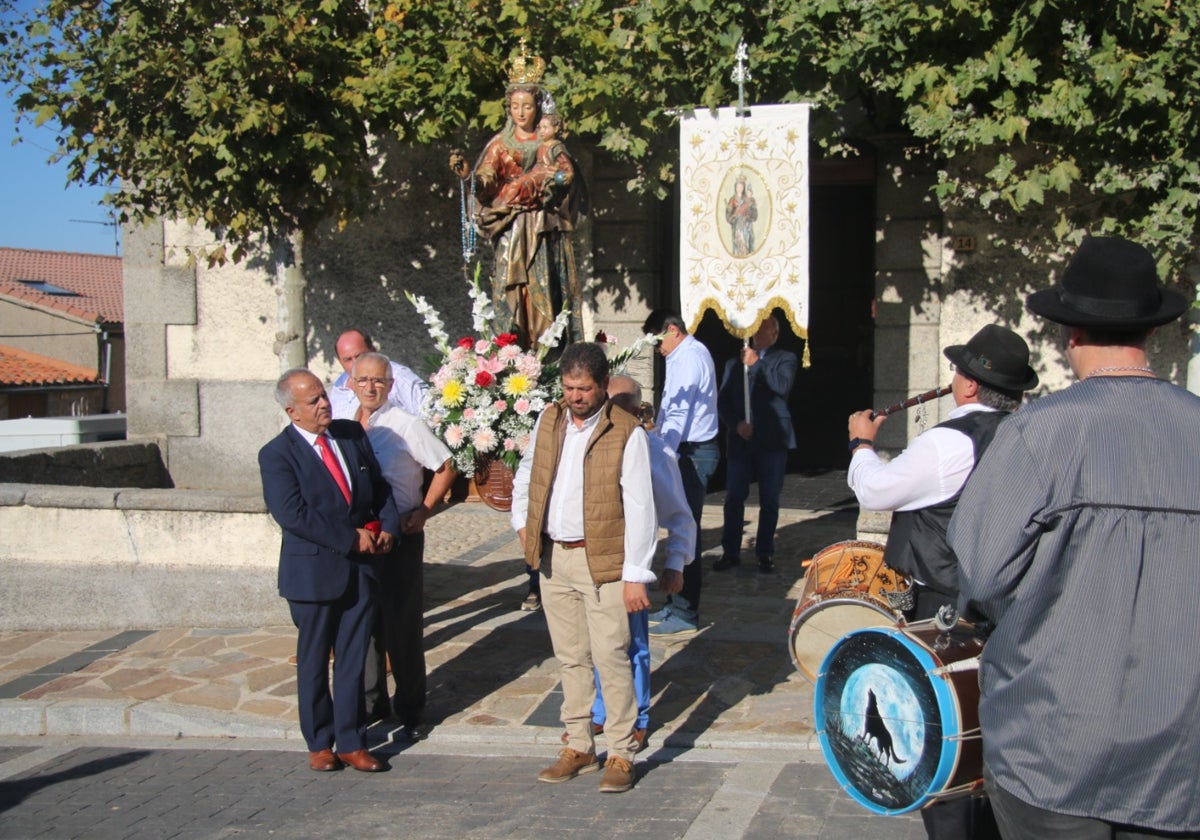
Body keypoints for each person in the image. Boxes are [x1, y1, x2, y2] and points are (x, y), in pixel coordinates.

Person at [947, 235, 1200, 838]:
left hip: (1052, 750)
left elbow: (982, 577)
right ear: (1151, 334)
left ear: (1071, 335)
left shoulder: (1037, 434)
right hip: (1181, 759)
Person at [847, 323, 1037, 840]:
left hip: (943, 607)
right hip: (1011, 602)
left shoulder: (949, 442)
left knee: (945, 730)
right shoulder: (1030, 434)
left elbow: (879, 491)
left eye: (957, 372)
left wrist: (863, 445)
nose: (953, 380)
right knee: (996, 730)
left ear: (971, 385)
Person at [510, 342, 657, 793]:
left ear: (602, 386)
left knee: (610, 657)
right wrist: (522, 523)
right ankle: (578, 745)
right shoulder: (549, 420)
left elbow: (641, 507)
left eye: (585, 388)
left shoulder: (626, 432)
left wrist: (636, 574)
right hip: (555, 557)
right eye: (569, 387)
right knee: (570, 657)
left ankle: (620, 752)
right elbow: (529, 472)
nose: (576, 396)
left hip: (605, 561)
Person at [258, 369, 401, 773]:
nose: (324, 404)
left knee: (354, 659)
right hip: (313, 575)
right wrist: (349, 538)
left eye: (323, 395)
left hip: (360, 571)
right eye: (313, 401)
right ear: (292, 411)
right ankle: (320, 742)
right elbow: (292, 514)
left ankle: (353, 740)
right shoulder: (276, 454)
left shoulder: (349, 435)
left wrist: (388, 526)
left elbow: (380, 488)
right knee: (315, 659)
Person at [560, 374, 696, 752]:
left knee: (629, 642)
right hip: (586, 559)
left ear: (638, 411)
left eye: (619, 406)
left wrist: (676, 564)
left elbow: (680, 515)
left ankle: (636, 716)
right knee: (591, 642)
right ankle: (601, 712)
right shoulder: (581, 438)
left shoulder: (653, 451)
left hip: (626, 562)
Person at [448, 46, 586, 349]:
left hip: (543, 228)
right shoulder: (500, 144)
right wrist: (470, 175)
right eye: (515, 107)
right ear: (508, 108)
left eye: (527, 106)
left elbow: (566, 178)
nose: (521, 113)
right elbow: (486, 180)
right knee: (510, 293)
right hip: (511, 229)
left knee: (545, 292)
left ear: (537, 107)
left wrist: (549, 183)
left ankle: (547, 352)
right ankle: (512, 351)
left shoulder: (549, 143)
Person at [349, 353, 456, 734]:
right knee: (365, 622)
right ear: (352, 383)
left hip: (401, 537)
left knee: (402, 625)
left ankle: (411, 708)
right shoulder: (345, 427)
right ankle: (372, 702)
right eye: (363, 380)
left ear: (390, 386)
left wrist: (425, 511)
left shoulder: (407, 425)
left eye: (378, 381)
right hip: (361, 538)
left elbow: (445, 465)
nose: (370, 387)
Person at [642, 309, 719, 636]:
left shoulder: (689, 357)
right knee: (679, 527)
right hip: (685, 449)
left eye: (658, 339)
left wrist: (664, 452)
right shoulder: (682, 354)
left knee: (685, 528)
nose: (657, 348)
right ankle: (675, 603)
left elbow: (679, 411)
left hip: (691, 452)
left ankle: (685, 611)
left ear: (672, 330)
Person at [714, 314, 797, 573]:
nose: (759, 332)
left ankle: (764, 552)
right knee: (735, 496)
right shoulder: (733, 364)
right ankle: (730, 551)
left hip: (772, 439)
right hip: (742, 440)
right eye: (756, 327)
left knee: (769, 498)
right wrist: (736, 424)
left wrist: (757, 364)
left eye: (765, 328)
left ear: (774, 334)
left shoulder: (784, 359)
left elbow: (781, 387)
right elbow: (723, 401)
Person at [328, 329, 427, 420]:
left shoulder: (398, 376)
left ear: (373, 351)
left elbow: (430, 415)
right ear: (340, 361)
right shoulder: (339, 386)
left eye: (359, 356)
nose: (355, 364)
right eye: (348, 359)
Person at [725, 173, 757, 256]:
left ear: (744, 188)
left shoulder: (749, 200)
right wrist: (734, 217)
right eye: (738, 186)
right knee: (739, 245)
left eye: (741, 187)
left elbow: (754, 215)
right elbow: (728, 215)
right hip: (737, 227)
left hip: (747, 227)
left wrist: (747, 216)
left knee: (747, 244)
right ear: (735, 187)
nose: (739, 188)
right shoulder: (732, 200)